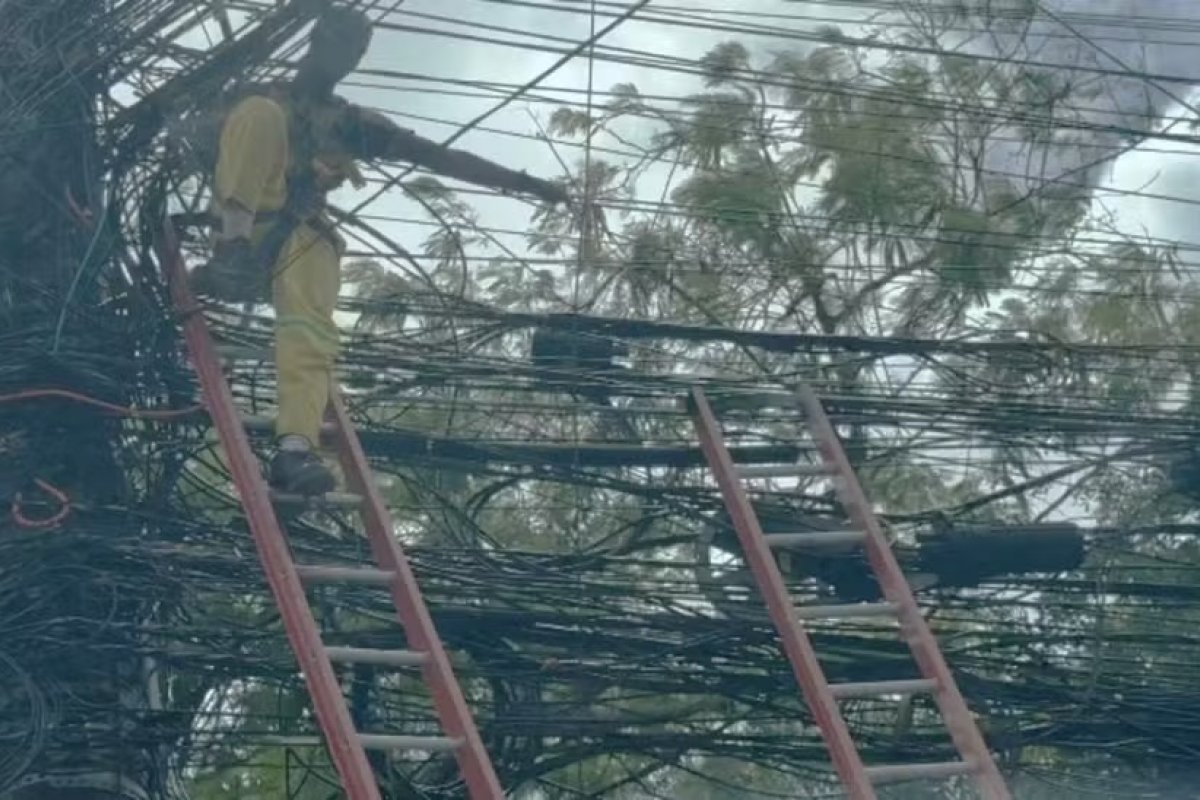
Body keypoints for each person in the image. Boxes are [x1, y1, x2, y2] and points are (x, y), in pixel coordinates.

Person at [190, 5, 567, 496]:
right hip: (247, 226)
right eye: (338, 43)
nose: (344, 57)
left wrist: (524, 183)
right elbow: (200, 140)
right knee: (261, 114)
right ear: (315, 40)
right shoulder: (257, 100)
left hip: (295, 237)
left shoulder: (352, 123)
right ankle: (231, 253)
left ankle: (296, 451)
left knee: (311, 332)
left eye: (356, 50)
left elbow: (436, 156)